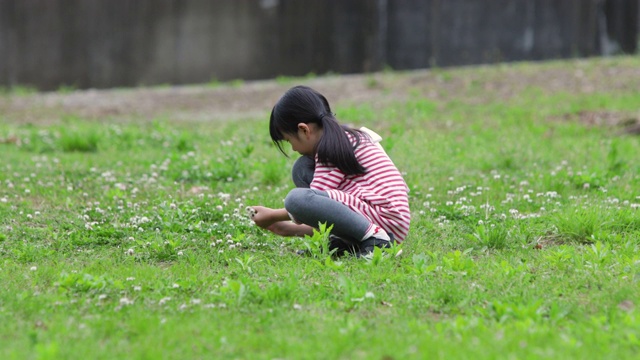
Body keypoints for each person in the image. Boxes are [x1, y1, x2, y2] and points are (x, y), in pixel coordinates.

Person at [250, 85, 410, 256]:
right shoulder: (341, 138)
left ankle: (379, 243)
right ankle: (349, 243)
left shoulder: (330, 149)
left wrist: (274, 216)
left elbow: (308, 202)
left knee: (295, 199)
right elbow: (326, 212)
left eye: (289, 141)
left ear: (304, 130)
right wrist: (286, 229)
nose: (294, 149)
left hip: (385, 219)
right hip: (382, 216)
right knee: (302, 168)